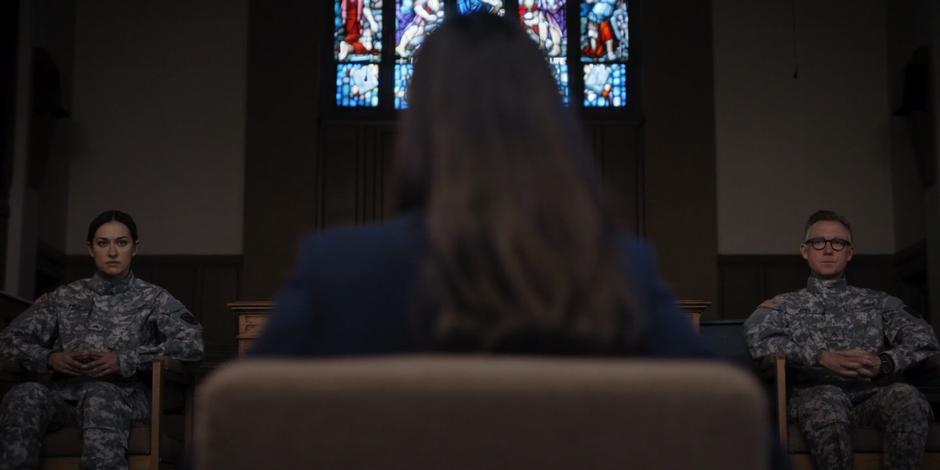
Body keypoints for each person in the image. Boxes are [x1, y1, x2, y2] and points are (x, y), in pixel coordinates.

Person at [0, 210, 204, 470]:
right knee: (25, 395)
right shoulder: (65, 296)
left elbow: (192, 344)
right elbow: (7, 341)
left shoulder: (154, 298)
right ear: (90, 248)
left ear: (135, 248)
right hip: (64, 398)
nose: (112, 252)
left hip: (124, 397)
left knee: (100, 394)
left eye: (121, 242)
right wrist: (49, 358)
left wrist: (125, 360)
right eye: (102, 243)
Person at [744, 210, 939, 470]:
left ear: (849, 253)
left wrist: (886, 361)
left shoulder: (879, 302)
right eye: (818, 242)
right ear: (805, 251)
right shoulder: (782, 305)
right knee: (826, 401)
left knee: (907, 397)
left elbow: (925, 338)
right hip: (814, 398)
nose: (828, 250)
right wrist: (821, 357)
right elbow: (760, 341)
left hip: (872, 397)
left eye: (838, 243)